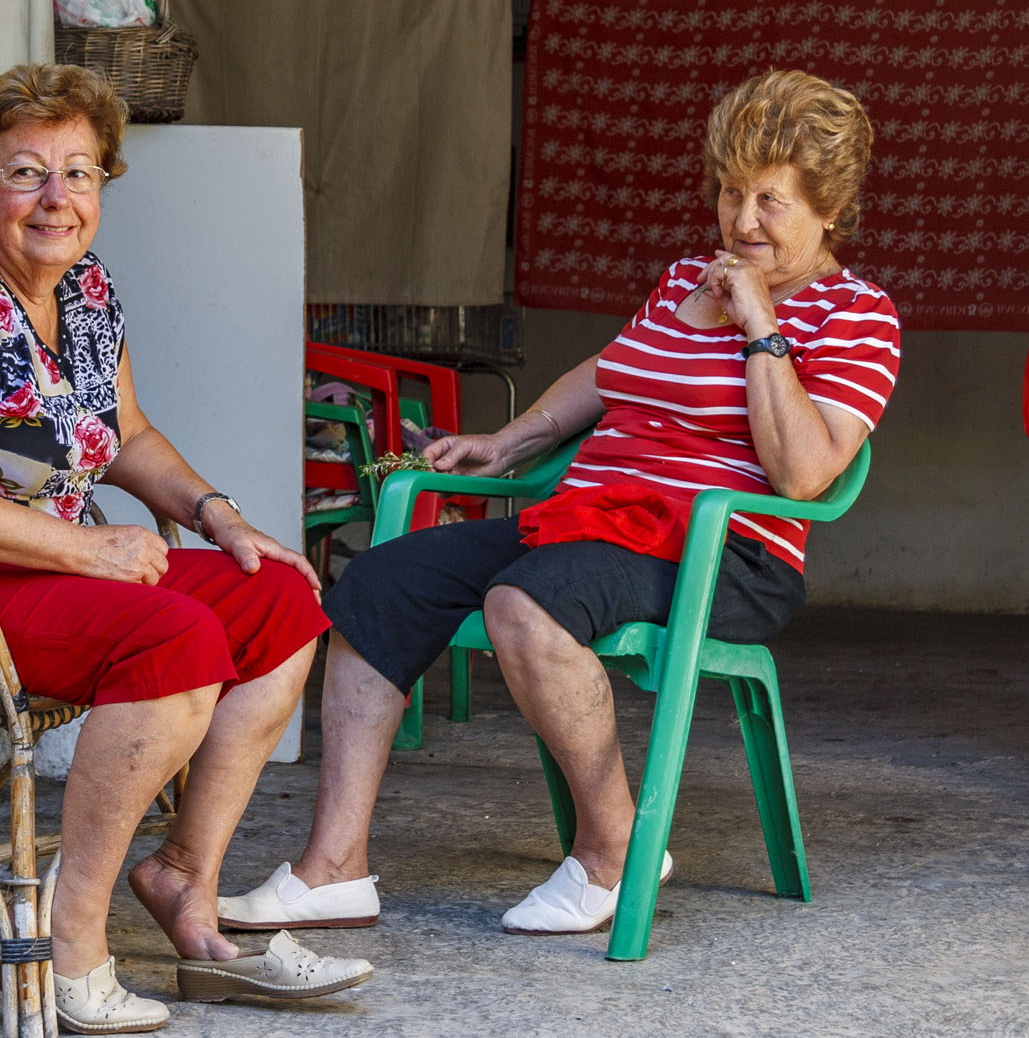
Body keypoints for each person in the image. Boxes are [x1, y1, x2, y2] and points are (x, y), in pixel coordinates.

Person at [220, 68, 901, 939]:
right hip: (584, 522)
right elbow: (608, 373)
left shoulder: (856, 315)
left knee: (525, 604)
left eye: (770, 200)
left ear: (828, 210)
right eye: (731, 193)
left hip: (724, 548)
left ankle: (613, 849)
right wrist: (514, 442)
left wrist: (761, 323)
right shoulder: (685, 278)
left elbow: (804, 473)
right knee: (374, 589)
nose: (741, 221)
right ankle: (334, 868)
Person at [0, 63, 371, 1033]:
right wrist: (86, 553)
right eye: (26, 172)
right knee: (171, 642)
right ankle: (65, 943)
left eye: (78, 173)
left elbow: (124, 435)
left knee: (281, 602)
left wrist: (216, 514)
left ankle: (181, 884)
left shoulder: (84, 295)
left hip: (20, 576)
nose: (55, 198)